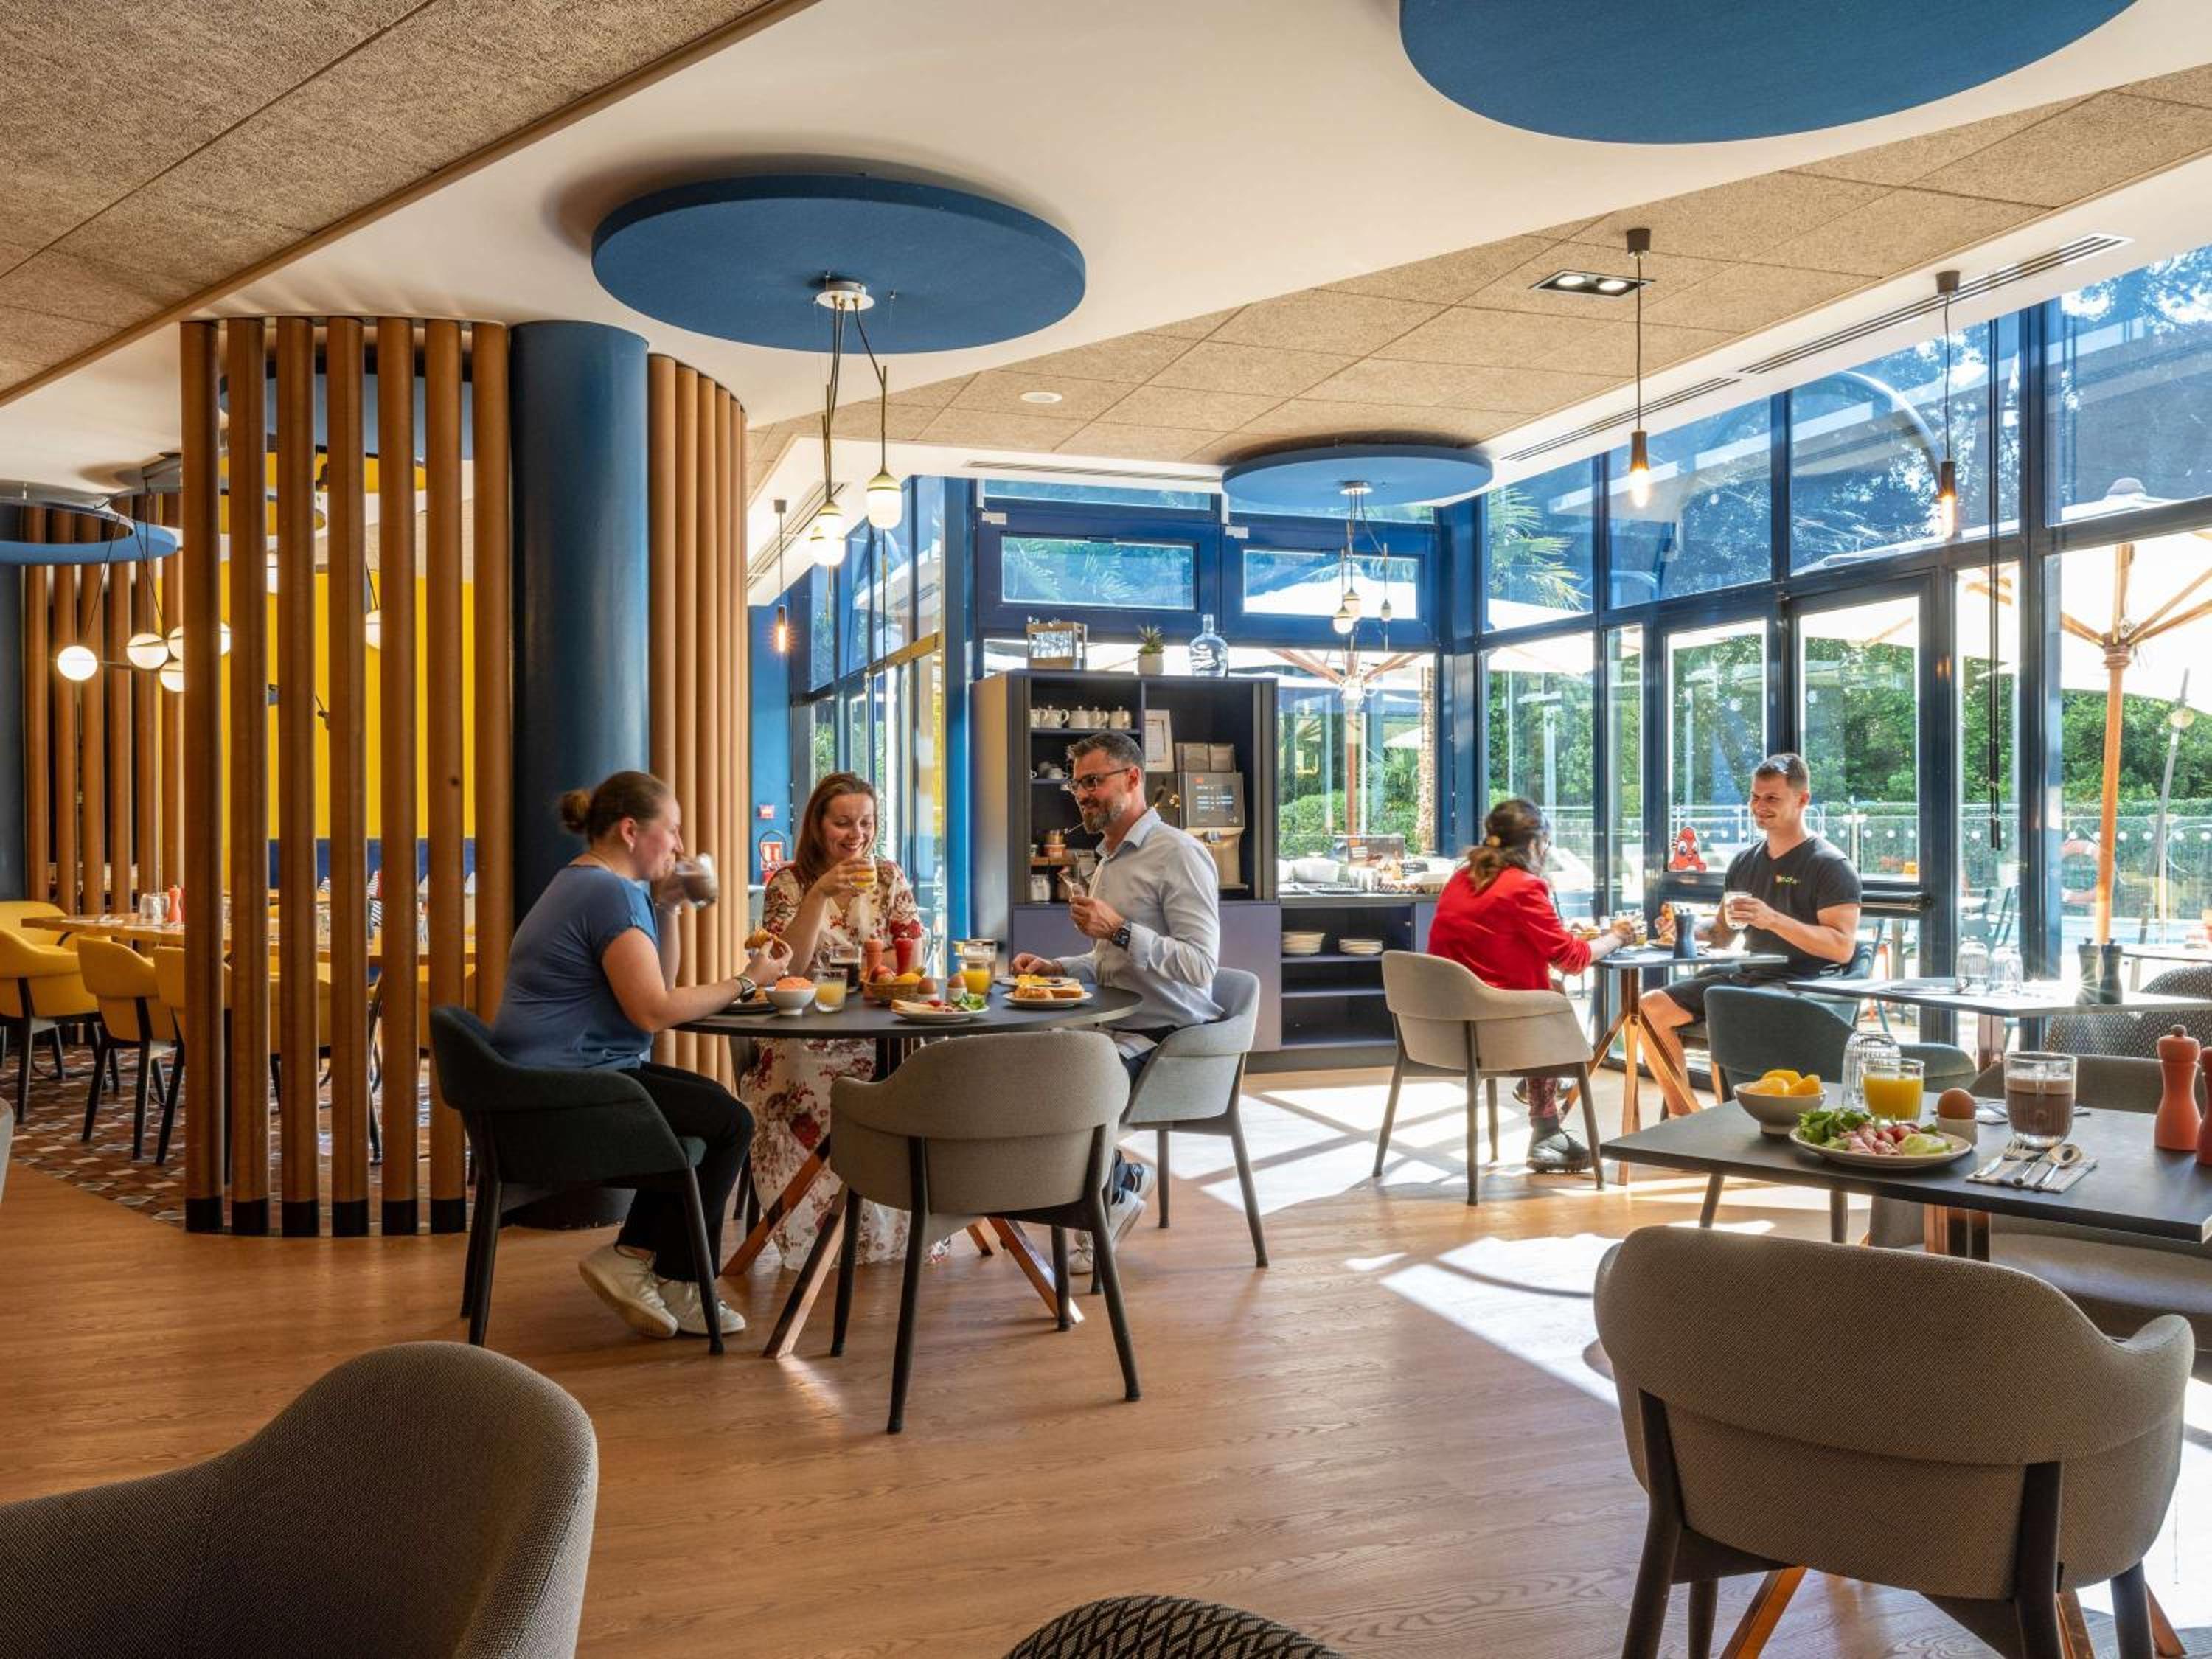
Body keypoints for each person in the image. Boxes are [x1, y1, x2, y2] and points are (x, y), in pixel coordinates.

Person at [493, 770, 788, 1341]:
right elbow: (652, 1012)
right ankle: (681, 1279)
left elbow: (658, 987)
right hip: (562, 1093)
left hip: (551, 1080)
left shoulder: (593, 884)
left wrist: (669, 908)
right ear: (631, 831)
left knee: (709, 1106)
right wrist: (748, 981)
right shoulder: (606, 893)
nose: (680, 845)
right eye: (672, 830)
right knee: (729, 1121)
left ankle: (634, 1257)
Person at [1011, 729, 1224, 1260]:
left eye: (1093, 782)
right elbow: (1113, 961)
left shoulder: (1178, 854)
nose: (1082, 795)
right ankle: (1119, 1183)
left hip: (1169, 1040)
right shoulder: (1110, 858)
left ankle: (1111, 1197)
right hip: (1118, 1029)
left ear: (1132, 778)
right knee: (1021, 1072)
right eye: (1077, 785)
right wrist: (1057, 967)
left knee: (1061, 1088)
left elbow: (1201, 966)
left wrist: (1121, 930)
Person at [742, 772, 928, 1267]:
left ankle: (895, 1220)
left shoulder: (887, 876)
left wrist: (888, 968)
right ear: (817, 825)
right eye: (843, 823)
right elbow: (788, 968)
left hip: (881, 1030)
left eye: (867, 822)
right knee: (809, 1079)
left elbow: (910, 954)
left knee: (923, 1075)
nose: (857, 834)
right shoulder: (789, 883)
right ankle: (816, 1229)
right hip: (805, 1032)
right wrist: (819, 895)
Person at [1426, 798, 1637, 1172]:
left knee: (1550, 992)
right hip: (1496, 1034)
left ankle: (1543, 1106)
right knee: (1552, 998)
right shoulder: (1523, 886)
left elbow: (1495, 946)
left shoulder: (1462, 879)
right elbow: (1572, 960)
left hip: (1443, 1027)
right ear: (1537, 844)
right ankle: (1546, 1120)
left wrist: (1556, 933)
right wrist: (1617, 937)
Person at [1639, 752, 1862, 1080]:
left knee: (1727, 1013)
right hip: (1749, 979)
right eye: (1755, 797)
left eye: (1772, 798)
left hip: (1804, 985)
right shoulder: (1745, 862)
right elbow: (1721, 934)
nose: (1759, 806)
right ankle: (1684, 1107)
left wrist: (1773, 920)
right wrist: (1686, 928)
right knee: (1650, 1008)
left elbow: (1842, 948)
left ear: (1803, 800)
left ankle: (1744, 1100)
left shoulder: (1830, 865)